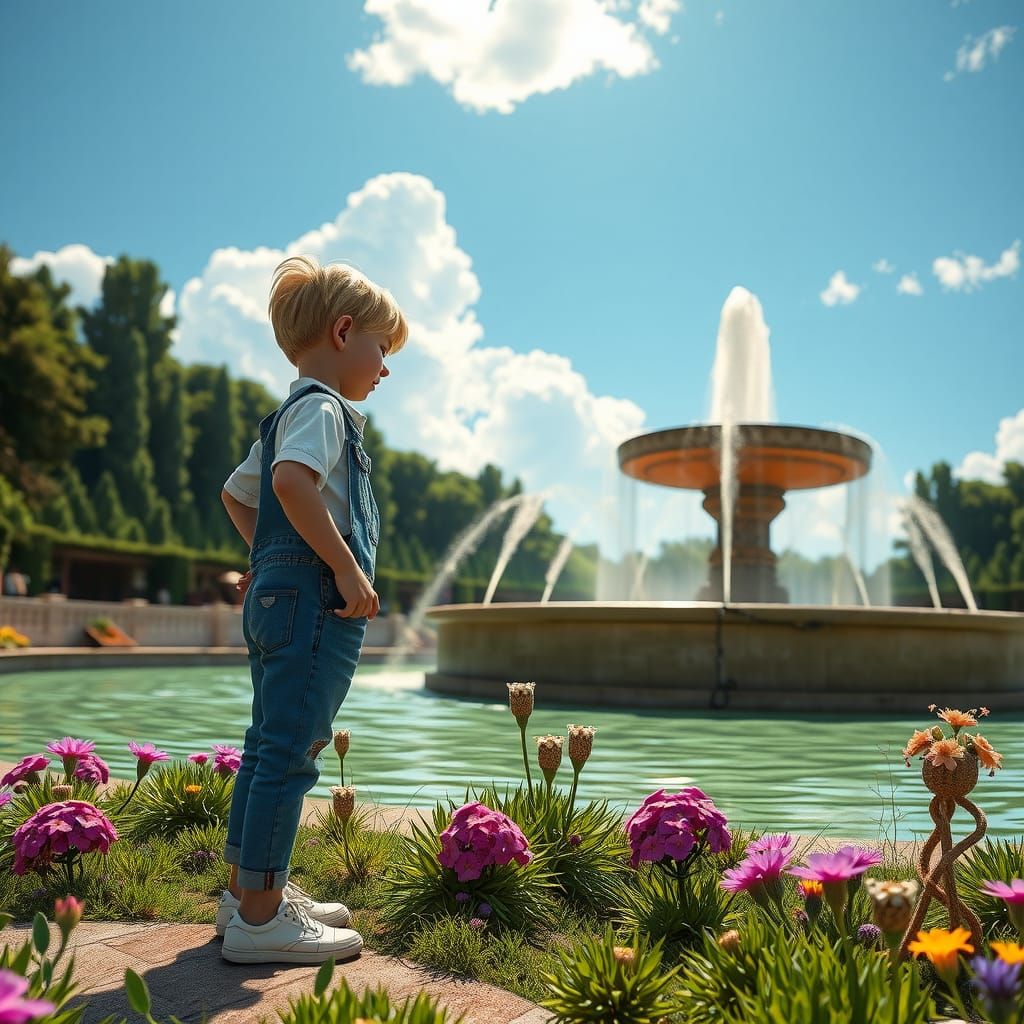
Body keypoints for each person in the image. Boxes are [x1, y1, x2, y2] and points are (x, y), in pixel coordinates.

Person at [217, 255, 407, 965]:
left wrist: (268, 559)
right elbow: (293, 484)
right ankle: (262, 923)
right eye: (381, 348)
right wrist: (341, 565)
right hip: (315, 607)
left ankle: (245, 894)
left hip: (278, 600)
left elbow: (239, 497)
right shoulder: (325, 410)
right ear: (344, 329)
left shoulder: (286, 414)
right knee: (292, 750)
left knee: (268, 742)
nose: (384, 367)